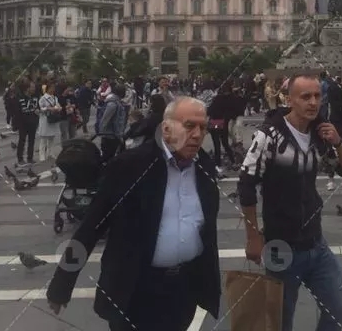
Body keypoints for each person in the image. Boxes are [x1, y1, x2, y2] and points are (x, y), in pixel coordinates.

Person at [47, 97, 221, 331]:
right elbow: (92, 226)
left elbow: (207, 228)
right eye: (189, 126)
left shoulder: (204, 166)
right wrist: (62, 284)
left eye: (203, 127)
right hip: (136, 290)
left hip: (183, 290)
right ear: (166, 128)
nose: (198, 134)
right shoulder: (130, 166)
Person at [238, 73, 342, 331]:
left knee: (338, 311)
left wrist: (338, 141)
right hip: (281, 248)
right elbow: (245, 184)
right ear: (289, 99)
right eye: (305, 97)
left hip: (316, 242)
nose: (313, 102)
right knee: (281, 321)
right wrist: (253, 237)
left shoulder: (319, 131)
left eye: (317, 96)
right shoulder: (268, 135)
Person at [37, 82, 62, 162]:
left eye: (54, 88)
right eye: (51, 88)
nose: (53, 89)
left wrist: (58, 108)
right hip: (45, 120)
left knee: (51, 138)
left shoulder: (55, 97)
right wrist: (48, 108)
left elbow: (58, 105)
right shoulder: (43, 98)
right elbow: (40, 108)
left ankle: (50, 153)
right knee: (43, 139)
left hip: (53, 119)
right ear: (47, 89)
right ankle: (42, 155)